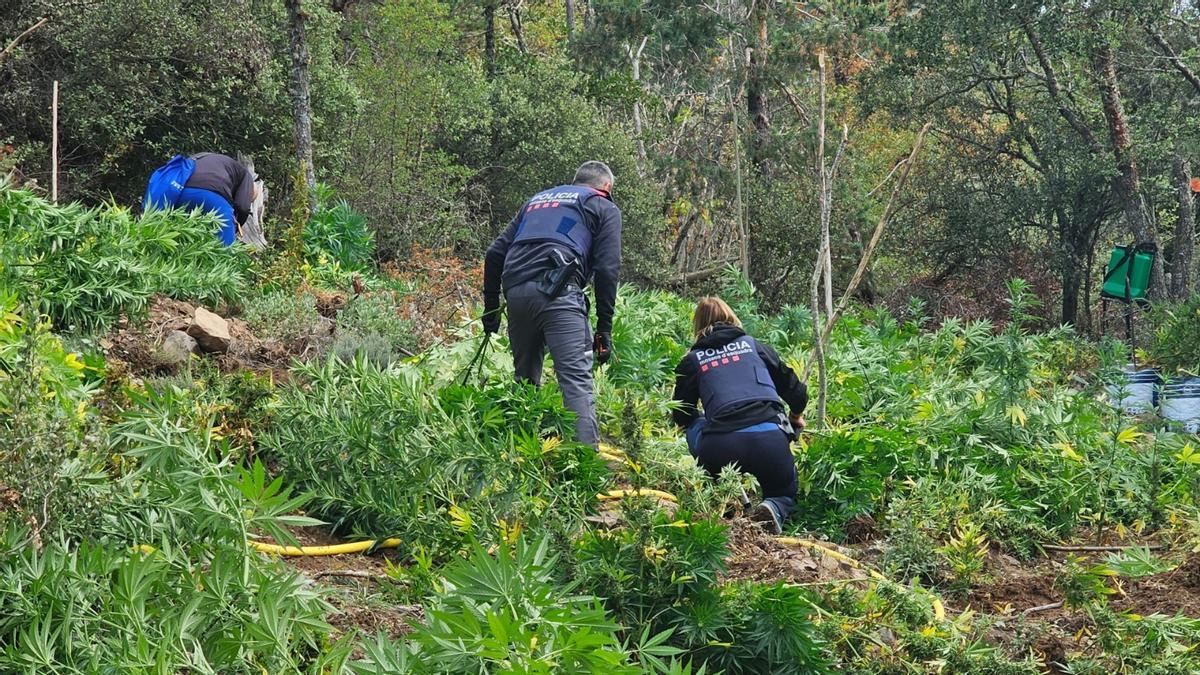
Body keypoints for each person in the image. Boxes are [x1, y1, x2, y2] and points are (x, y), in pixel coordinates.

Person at [481, 161, 622, 448]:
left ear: (575, 181)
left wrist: (491, 307)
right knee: (575, 384)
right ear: (606, 187)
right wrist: (604, 329)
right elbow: (608, 269)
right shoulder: (603, 206)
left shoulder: (536, 201)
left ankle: (516, 458)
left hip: (516, 293)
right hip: (560, 296)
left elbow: (495, 252)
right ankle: (584, 471)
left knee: (524, 382)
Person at [671, 297, 807, 534]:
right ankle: (774, 506)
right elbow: (797, 393)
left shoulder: (692, 360)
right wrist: (795, 418)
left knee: (695, 424)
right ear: (732, 318)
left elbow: (681, 414)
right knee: (784, 493)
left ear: (698, 327)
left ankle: (723, 496)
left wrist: (702, 417)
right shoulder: (755, 346)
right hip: (770, 441)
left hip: (720, 446)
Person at [177, 152, 257, 246]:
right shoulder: (246, 176)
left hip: (181, 191)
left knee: (182, 242)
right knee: (224, 250)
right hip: (213, 195)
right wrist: (235, 227)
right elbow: (243, 206)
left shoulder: (203, 157)